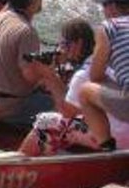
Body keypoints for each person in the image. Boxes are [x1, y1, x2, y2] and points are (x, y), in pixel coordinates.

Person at [19, 18, 129, 155]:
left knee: (46, 122)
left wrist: (49, 76)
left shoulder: (82, 75)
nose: (61, 49)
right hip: (122, 129)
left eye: (64, 44)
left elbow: (66, 112)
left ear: (78, 44)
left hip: (115, 137)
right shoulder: (105, 64)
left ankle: (20, 163)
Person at [78, 0, 129, 151]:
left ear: (112, 7)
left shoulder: (109, 27)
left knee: (85, 91)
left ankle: (107, 147)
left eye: (104, 7)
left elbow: (95, 75)